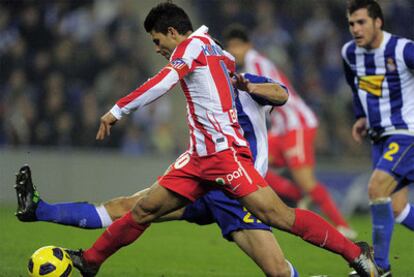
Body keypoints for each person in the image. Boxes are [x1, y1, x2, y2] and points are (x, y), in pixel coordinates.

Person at [22, 3, 377, 276]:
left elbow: (165, 81)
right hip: (198, 159)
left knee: (279, 218)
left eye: (158, 42)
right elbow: (221, 63)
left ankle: (354, 253)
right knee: (142, 209)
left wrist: (118, 110)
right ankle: (90, 262)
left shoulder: (192, 48)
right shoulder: (214, 50)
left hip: (226, 157)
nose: (159, 49)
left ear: (174, 32)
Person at [15, 72, 300, 277]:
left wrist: (250, 86)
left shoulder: (244, 83)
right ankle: (39, 210)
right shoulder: (200, 92)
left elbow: (282, 94)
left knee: (277, 270)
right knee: (129, 208)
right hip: (202, 185)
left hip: (237, 192)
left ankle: (342, 257)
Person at [223, 24, 357, 239]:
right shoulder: (248, 65)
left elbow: (273, 93)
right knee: (253, 164)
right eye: (230, 47)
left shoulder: (256, 63)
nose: (234, 51)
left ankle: (343, 226)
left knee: (305, 180)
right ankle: (298, 197)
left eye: (237, 46)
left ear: (247, 45)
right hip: (280, 128)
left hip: (296, 123)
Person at [342, 0, 414, 275]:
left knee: (376, 189)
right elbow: (354, 85)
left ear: (378, 22)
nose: (355, 29)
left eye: (361, 22)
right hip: (379, 137)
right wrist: (361, 116)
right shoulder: (350, 53)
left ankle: (379, 267)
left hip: (407, 133)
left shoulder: (403, 49)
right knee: (397, 208)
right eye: (351, 23)